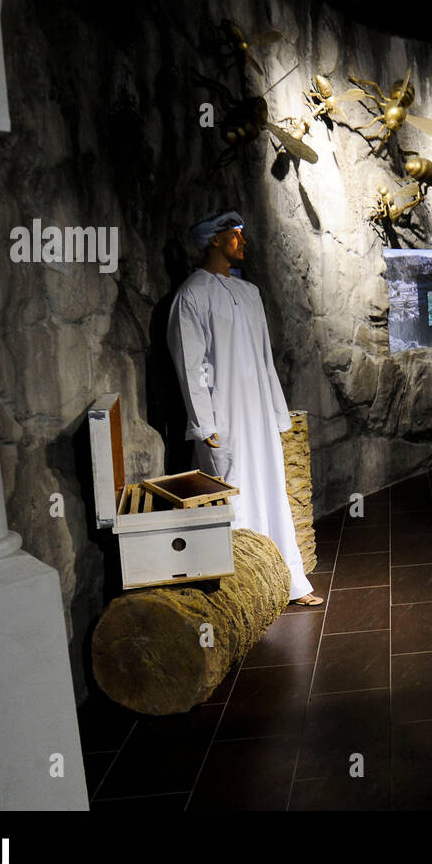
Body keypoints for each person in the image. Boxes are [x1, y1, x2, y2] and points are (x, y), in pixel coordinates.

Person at [166, 210, 323, 605]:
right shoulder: (192, 295)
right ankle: (248, 595)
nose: (243, 241)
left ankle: (288, 580)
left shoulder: (249, 293)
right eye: (236, 234)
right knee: (234, 498)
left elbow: (264, 359)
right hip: (226, 418)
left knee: (273, 492)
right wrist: (204, 423)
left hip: (257, 417)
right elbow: (190, 364)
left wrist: (276, 412)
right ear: (214, 239)